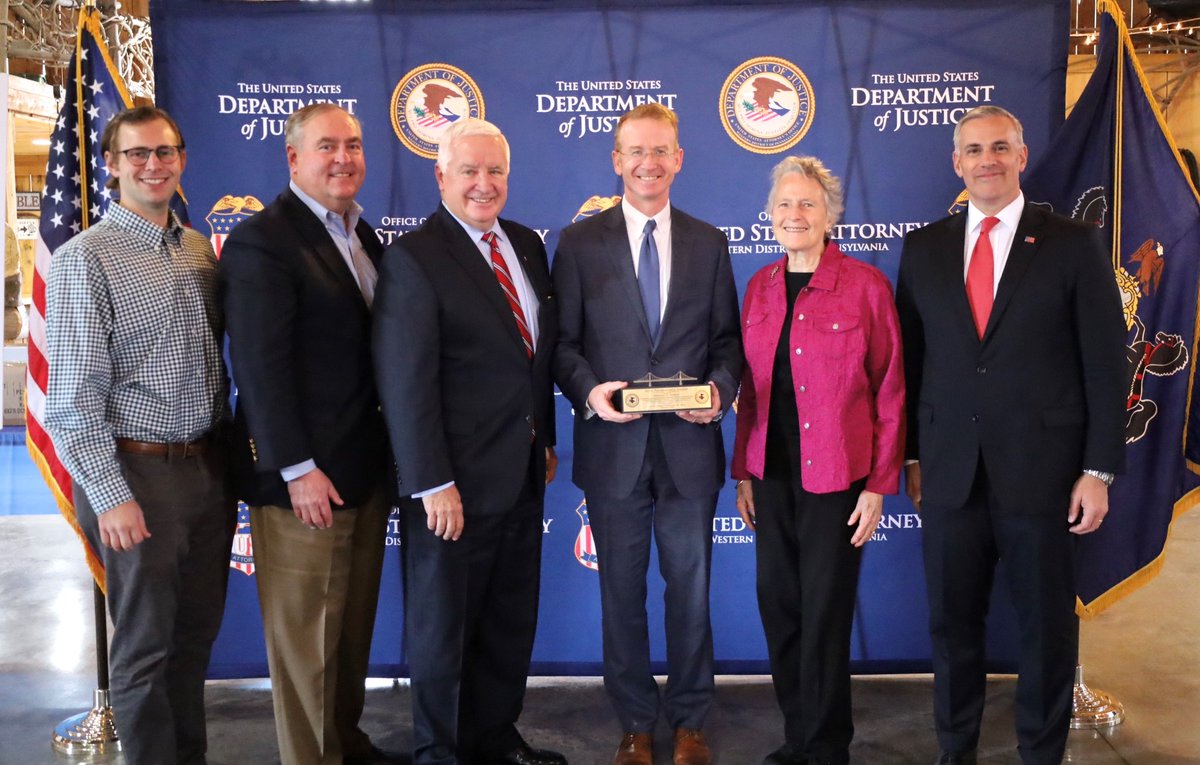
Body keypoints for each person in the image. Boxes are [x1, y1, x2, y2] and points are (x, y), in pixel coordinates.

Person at [895, 105, 1125, 765]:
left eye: (1000, 147)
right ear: (956, 162)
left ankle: (1040, 751)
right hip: (948, 473)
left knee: (1047, 630)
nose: (987, 160)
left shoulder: (1072, 243)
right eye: (974, 149)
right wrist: (911, 453)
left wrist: (1099, 469)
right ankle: (955, 748)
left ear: (1022, 156)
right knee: (952, 628)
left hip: (1047, 475)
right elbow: (912, 363)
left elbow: (1107, 365)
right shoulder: (924, 247)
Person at [552, 103, 742, 765]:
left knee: (690, 594)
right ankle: (635, 721)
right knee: (621, 594)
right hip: (613, 452)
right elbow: (564, 346)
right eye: (635, 151)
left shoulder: (709, 242)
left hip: (689, 452)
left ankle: (690, 720)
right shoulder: (578, 243)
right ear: (616, 159)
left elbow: (727, 344)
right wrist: (588, 391)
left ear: (679, 159)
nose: (648, 163)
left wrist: (720, 391)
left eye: (660, 151)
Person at [44, 105, 235, 765]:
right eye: (137, 154)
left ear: (181, 158)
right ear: (110, 164)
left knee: (193, 641)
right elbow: (70, 399)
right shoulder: (84, 259)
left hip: (209, 469)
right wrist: (108, 491)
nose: (152, 165)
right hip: (136, 475)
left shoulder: (196, 248)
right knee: (145, 648)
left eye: (164, 152)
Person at [373, 118, 565, 765]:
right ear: (441, 176)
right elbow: (406, 381)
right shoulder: (414, 258)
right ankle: (442, 750)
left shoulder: (526, 246)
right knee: (444, 631)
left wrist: (544, 436)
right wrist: (432, 480)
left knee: (508, 621)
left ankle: (494, 736)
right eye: (469, 171)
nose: (484, 184)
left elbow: (533, 357)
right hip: (450, 485)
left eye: (495, 172)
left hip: (519, 473)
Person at [219, 103, 397, 765]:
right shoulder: (263, 241)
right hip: (306, 482)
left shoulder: (361, 235)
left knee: (347, 637)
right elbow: (260, 368)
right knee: (306, 644)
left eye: (353, 145)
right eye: (328, 146)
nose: (344, 157)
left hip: (364, 469)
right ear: (293, 159)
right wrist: (296, 468)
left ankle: (343, 742)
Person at [731, 156, 905, 765]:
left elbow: (889, 390)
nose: (794, 214)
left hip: (838, 479)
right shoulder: (758, 287)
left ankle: (826, 746)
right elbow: (750, 392)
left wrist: (879, 484)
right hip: (770, 478)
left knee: (825, 615)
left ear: (830, 214)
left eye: (807, 204)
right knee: (780, 609)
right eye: (784, 204)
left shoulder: (865, 287)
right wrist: (742, 473)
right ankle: (796, 736)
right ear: (769, 215)